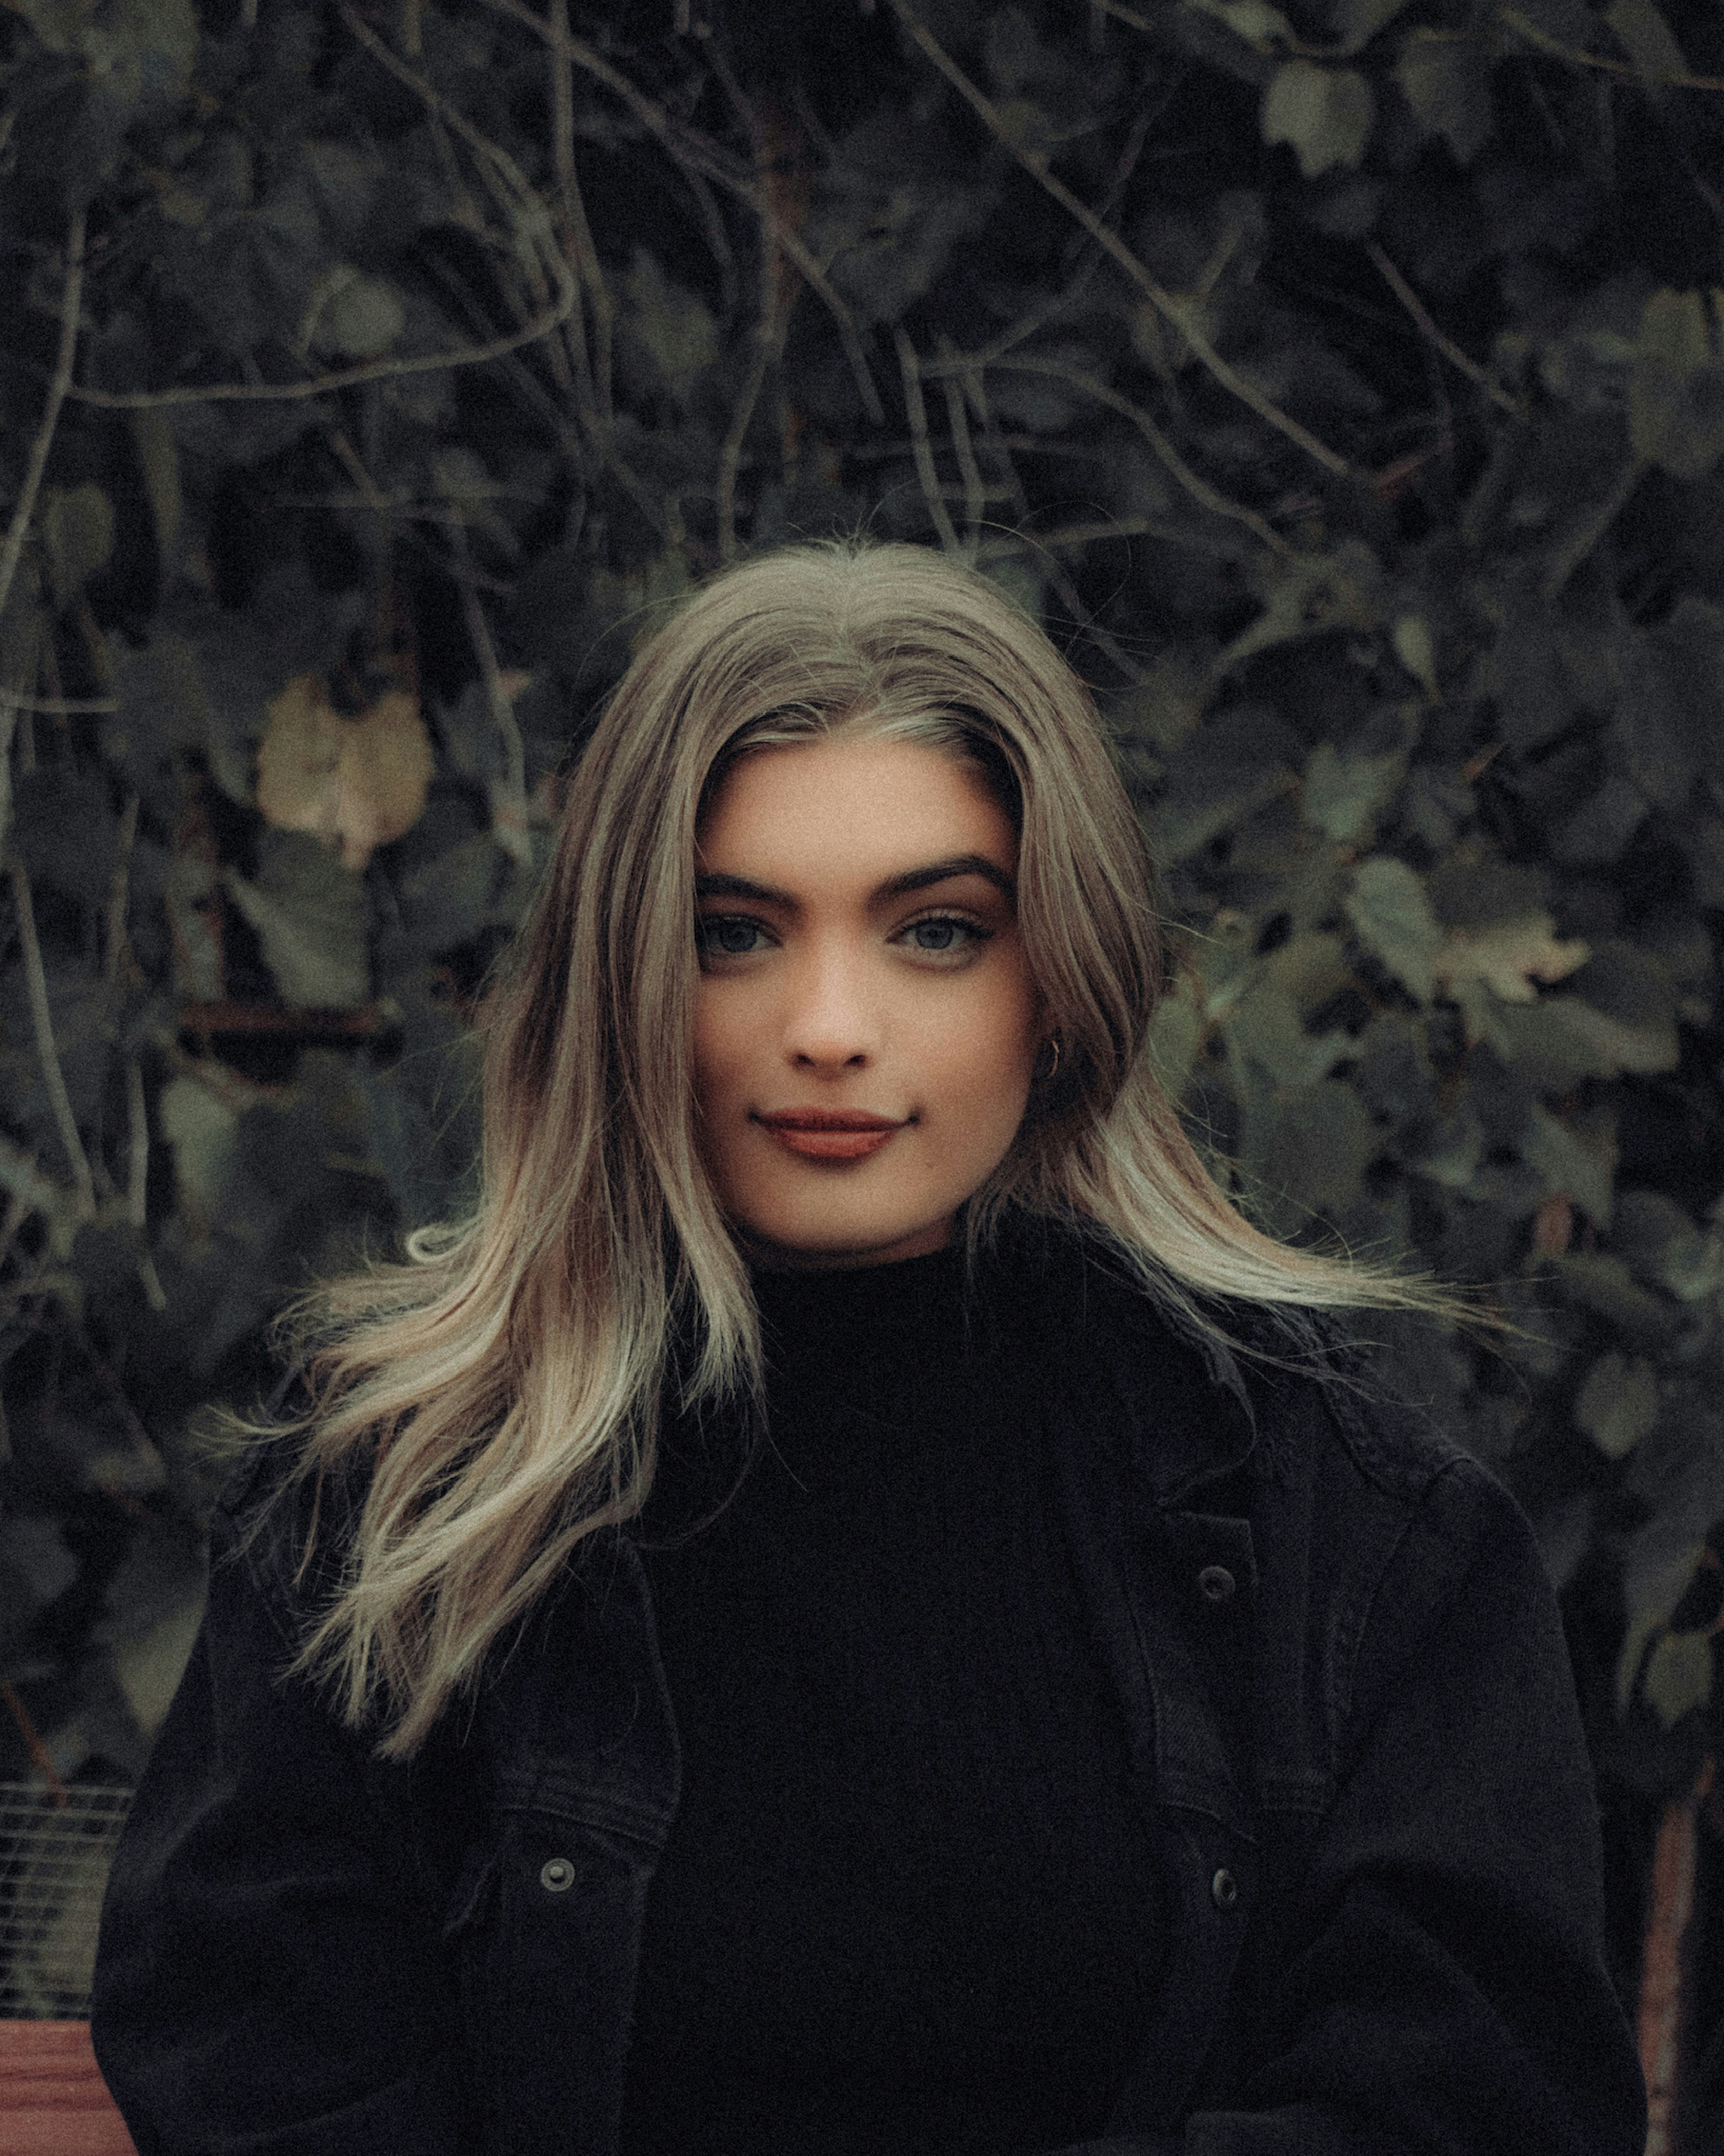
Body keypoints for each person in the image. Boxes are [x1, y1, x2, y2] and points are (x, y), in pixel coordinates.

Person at [91, 539, 1647, 2156]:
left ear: (1060, 978)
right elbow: (261, 2069)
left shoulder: (1349, 1522)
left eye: (937, 931)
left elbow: (1482, 2107)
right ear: (626, 974)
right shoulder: (394, 1507)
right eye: (735, 931)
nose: (830, 1025)